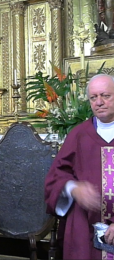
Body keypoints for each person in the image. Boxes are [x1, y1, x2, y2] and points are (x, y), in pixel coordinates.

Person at [45, 74, 114, 259]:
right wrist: (73, 188)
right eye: (93, 97)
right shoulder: (78, 135)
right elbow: (55, 177)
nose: (99, 102)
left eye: (105, 96)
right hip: (85, 226)